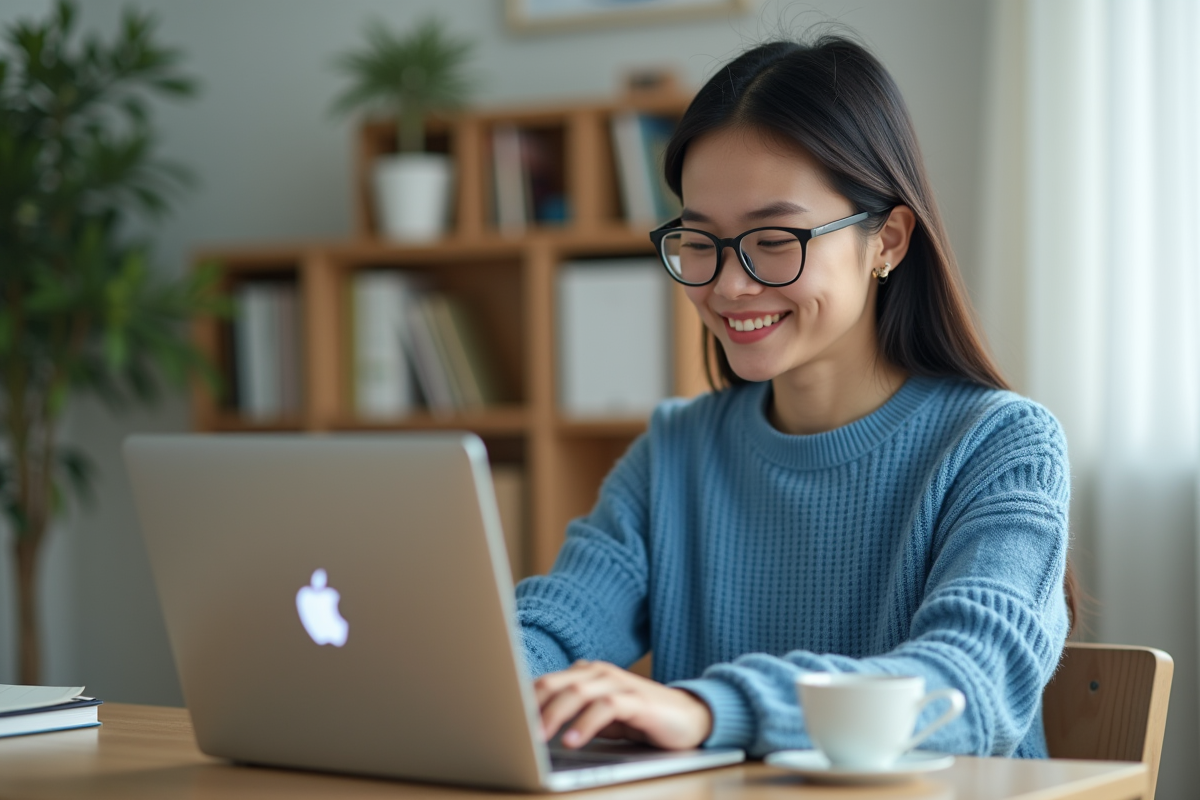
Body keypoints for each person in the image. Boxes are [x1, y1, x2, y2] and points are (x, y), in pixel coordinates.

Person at [516, 34, 1072, 760]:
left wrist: (707, 710)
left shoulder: (1004, 446)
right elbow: (557, 625)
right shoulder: (674, 453)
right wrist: (504, 679)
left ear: (889, 241)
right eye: (698, 239)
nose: (727, 284)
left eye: (774, 238)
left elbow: (965, 687)